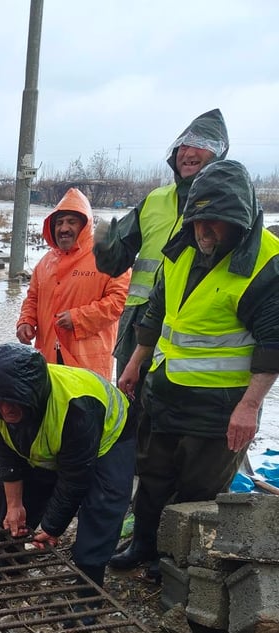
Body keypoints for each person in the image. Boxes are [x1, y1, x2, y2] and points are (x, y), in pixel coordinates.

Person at [109, 160, 279, 574]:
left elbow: (274, 344)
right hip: (165, 393)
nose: (204, 233)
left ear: (239, 219)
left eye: (215, 223)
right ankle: (144, 548)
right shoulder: (182, 246)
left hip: (219, 408)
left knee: (197, 493)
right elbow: (156, 312)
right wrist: (134, 365)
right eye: (199, 221)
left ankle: (176, 564)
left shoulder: (266, 264)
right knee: (152, 480)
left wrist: (250, 406)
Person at [0, 343, 135, 595]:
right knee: (10, 498)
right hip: (53, 432)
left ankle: (89, 586)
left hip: (109, 435)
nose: (5, 409)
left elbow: (74, 480)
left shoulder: (77, 410)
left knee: (101, 505)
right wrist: (15, 505)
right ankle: (11, 561)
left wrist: (51, 528)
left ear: (33, 395)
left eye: (13, 402)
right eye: (0, 402)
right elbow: (8, 460)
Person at [93, 108, 229, 380]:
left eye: (200, 146)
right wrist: (105, 242)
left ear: (219, 155)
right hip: (137, 330)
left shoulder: (229, 205)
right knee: (129, 415)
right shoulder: (155, 200)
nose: (188, 152)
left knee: (173, 417)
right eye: (183, 145)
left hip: (191, 335)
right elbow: (116, 262)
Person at [16, 187, 130, 381]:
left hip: (88, 365)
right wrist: (26, 322)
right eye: (59, 223)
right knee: (50, 410)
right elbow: (32, 298)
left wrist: (78, 319)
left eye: (71, 222)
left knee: (87, 410)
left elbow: (120, 301)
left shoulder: (107, 257)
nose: (64, 228)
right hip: (48, 361)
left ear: (85, 225)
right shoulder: (45, 263)